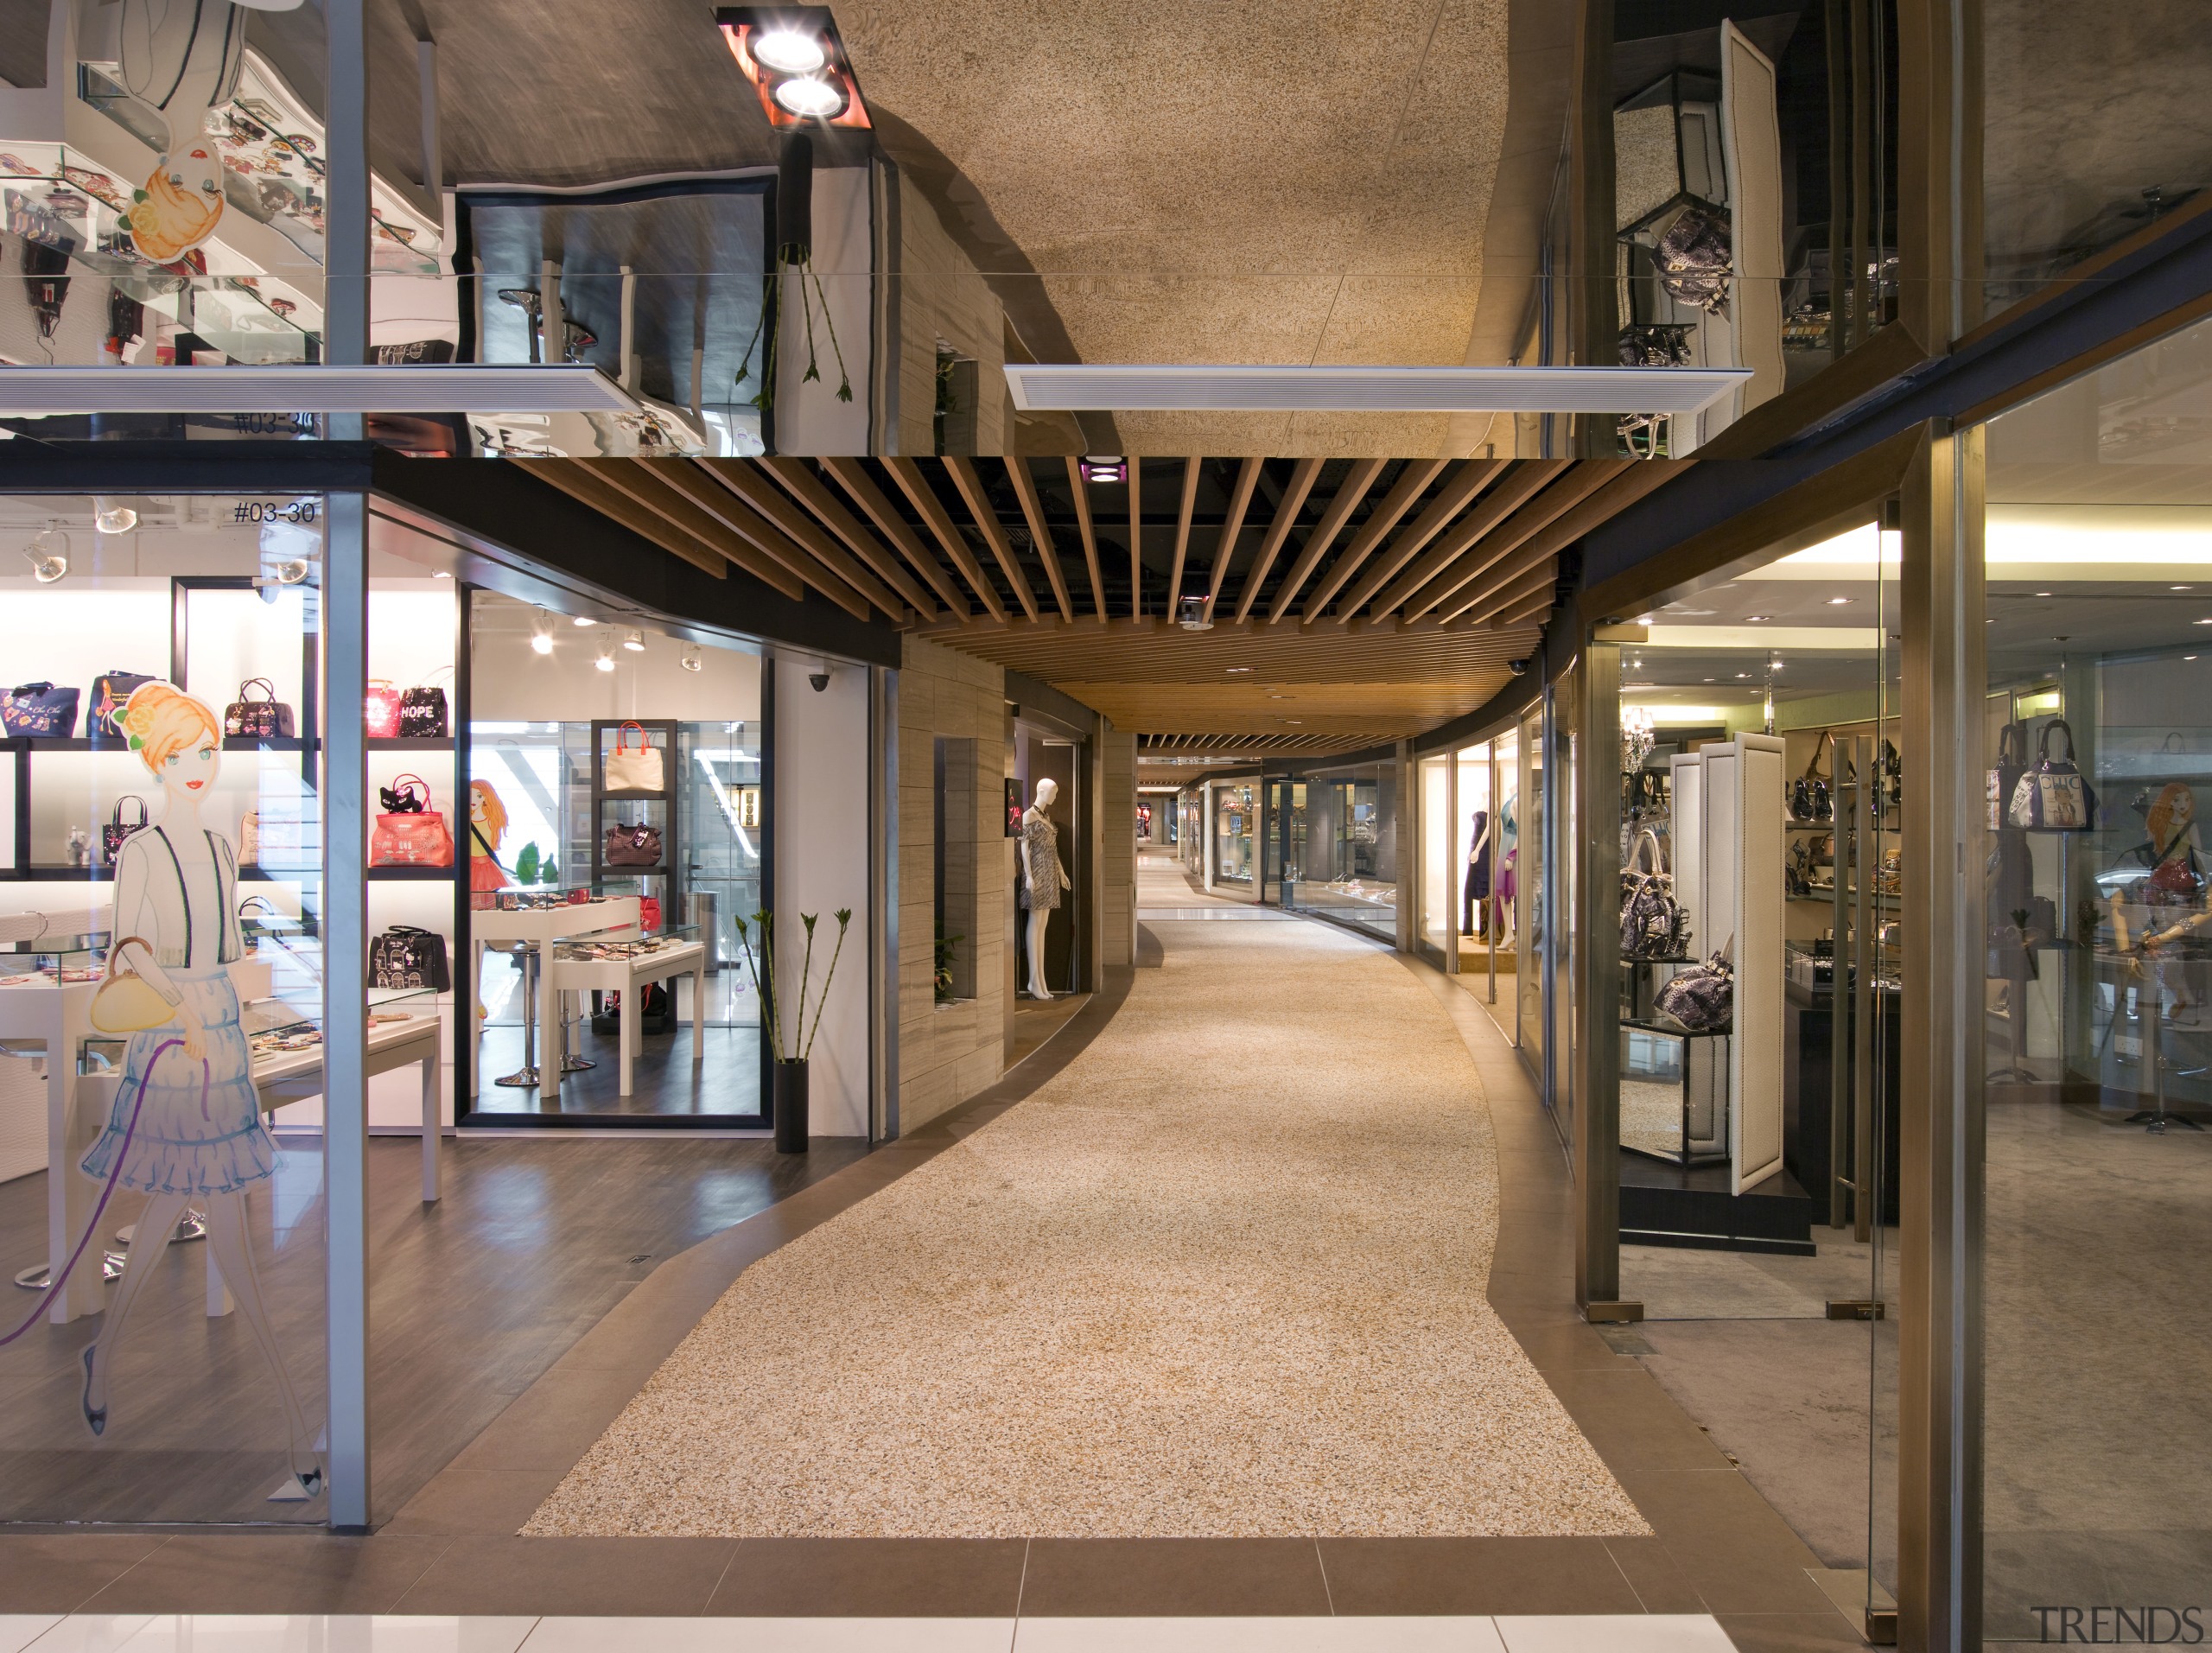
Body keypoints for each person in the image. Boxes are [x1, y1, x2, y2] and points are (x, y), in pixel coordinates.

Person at [77, 683, 320, 1497]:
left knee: (178, 1211)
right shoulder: (140, 850)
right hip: (175, 1033)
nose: (197, 768)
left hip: (217, 1025)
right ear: (157, 761)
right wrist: (174, 996)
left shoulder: (220, 846)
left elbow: (228, 940)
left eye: (207, 753)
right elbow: (129, 943)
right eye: (182, 755)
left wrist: (212, 1001)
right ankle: (294, 1425)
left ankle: (104, 1359)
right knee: (212, 1214)